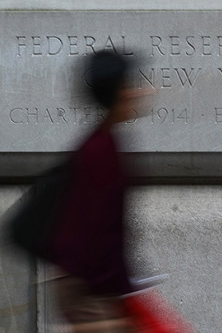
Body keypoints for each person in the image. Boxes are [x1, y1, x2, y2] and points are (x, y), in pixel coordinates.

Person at [47, 50, 151, 332]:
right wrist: (119, 297)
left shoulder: (104, 143)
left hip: (93, 286)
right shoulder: (99, 151)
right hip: (89, 289)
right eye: (130, 86)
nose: (139, 93)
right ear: (118, 93)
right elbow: (94, 231)